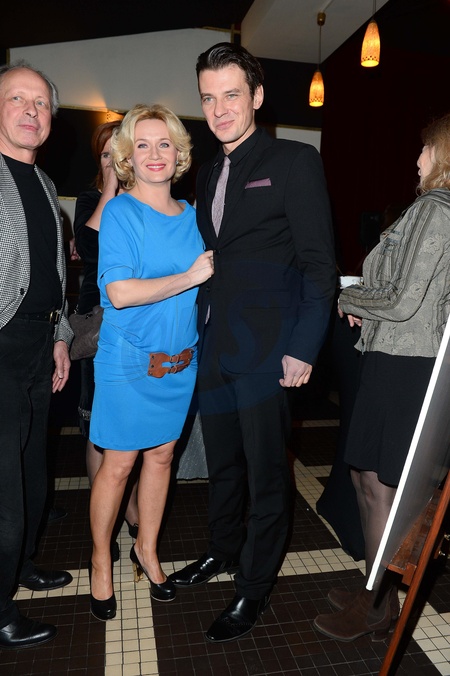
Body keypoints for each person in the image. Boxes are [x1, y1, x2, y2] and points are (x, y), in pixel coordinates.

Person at [169, 42, 336, 643]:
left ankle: (254, 585)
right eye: (208, 98)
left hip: (270, 351)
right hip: (216, 342)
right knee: (223, 464)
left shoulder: (294, 161)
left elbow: (319, 265)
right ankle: (222, 549)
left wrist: (304, 347)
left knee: (267, 474)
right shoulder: (208, 171)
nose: (219, 110)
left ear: (257, 97)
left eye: (231, 95)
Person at [314, 112, 450, 642]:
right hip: (398, 359)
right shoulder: (435, 209)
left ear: (442, 154)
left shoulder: (435, 209)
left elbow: (400, 300)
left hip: (404, 365)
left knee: (379, 486)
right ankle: (377, 588)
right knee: (365, 479)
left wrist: (347, 297)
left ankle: (376, 604)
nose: (416, 159)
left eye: (424, 149)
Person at [88, 103, 214, 621]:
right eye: (142, 144)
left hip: (180, 362)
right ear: (127, 156)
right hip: (128, 363)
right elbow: (119, 292)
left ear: (180, 153)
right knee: (118, 465)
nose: (155, 154)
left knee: (162, 458)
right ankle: (101, 559)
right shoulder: (121, 212)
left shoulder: (195, 216)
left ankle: (148, 548)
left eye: (165, 144)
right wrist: (189, 277)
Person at [0, 61, 73, 649]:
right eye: (17, 99)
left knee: (31, 474)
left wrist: (59, 337)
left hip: (37, 345)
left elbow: (52, 276)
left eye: (41, 103)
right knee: (4, 490)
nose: (31, 110)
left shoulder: (46, 185)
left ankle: (19, 565)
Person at [74, 121, 139, 559]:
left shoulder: (144, 199)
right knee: (99, 428)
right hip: (97, 324)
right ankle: (104, 525)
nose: (113, 160)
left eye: (120, 152)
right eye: (105, 154)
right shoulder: (90, 199)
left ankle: (130, 508)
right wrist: (111, 185)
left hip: (136, 322)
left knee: (131, 426)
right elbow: (88, 245)